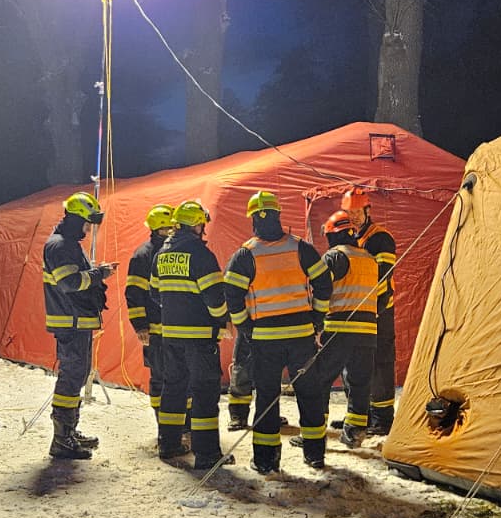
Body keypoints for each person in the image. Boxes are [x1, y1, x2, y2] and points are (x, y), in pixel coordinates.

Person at [222, 190, 333, 471]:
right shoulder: (301, 248)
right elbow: (324, 283)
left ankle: (266, 461)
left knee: (267, 400)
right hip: (301, 338)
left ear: (253, 221)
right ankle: (315, 455)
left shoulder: (245, 254)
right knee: (309, 395)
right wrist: (317, 317)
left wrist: (245, 327)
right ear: (278, 215)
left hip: (264, 340)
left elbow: (232, 295)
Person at [150, 199, 228, 468]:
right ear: (196, 224)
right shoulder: (200, 254)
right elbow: (215, 298)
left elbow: (153, 292)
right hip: (199, 335)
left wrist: (175, 307)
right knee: (205, 391)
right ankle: (207, 455)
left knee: (173, 388)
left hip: (170, 335)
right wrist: (223, 322)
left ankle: (168, 445)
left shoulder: (161, 253)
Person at [42, 192, 114, 460]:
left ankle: (69, 432)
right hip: (69, 322)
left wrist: (95, 271)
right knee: (72, 376)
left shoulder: (68, 243)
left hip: (76, 320)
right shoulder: (60, 246)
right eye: (87, 222)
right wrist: (100, 274)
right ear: (76, 218)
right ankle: (61, 440)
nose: (89, 228)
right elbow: (70, 283)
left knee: (78, 374)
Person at [313, 210, 378, 448]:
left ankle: (315, 432)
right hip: (368, 331)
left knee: (320, 380)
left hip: (339, 329)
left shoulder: (334, 257)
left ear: (333, 235)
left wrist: (316, 322)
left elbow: (320, 290)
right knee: (360, 383)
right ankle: (354, 432)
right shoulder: (370, 259)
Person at [343, 186, 398, 435]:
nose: (353, 216)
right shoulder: (353, 237)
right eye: (349, 212)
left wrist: (375, 309)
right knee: (356, 363)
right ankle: (359, 415)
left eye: (357, 211)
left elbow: (384, 278)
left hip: (379, 310)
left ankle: (383, 419)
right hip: (359, 309)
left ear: (367, 210)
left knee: (380, 363)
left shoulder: (380, 238)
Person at [125, 205, 177, 421]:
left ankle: (180, 425)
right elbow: (134, 293)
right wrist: (140, 326)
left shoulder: (174, 252)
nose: (174, 231)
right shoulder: (143, 256)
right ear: (160, 230)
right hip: (155, 329)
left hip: (176, 327)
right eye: (170, 228)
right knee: (159, 378)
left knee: (179, 376)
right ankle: (162, 423)